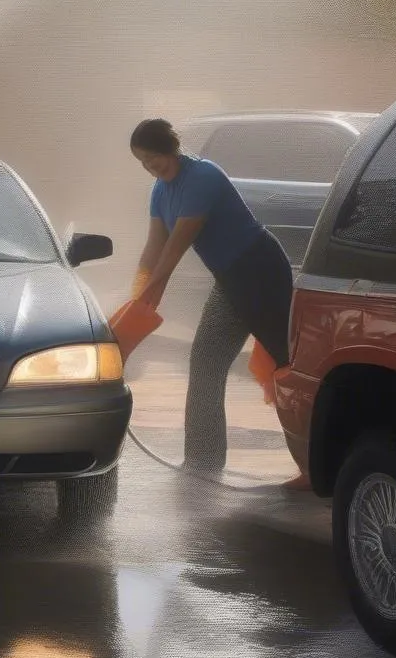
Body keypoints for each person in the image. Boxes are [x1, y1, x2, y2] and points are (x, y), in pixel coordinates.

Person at [128, 118, 303, 485]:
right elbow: (153, 249)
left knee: (288, 367)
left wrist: (145, 301)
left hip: (260, 271)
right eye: (141, 162)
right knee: (206, 361)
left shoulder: (202, 177)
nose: (149, 167)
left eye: (152, 157)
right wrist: (136, 295)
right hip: (229, 279)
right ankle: (202, 464)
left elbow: (174, 250)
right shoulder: (160, 192)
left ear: (169, 147)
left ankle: (313, 465)